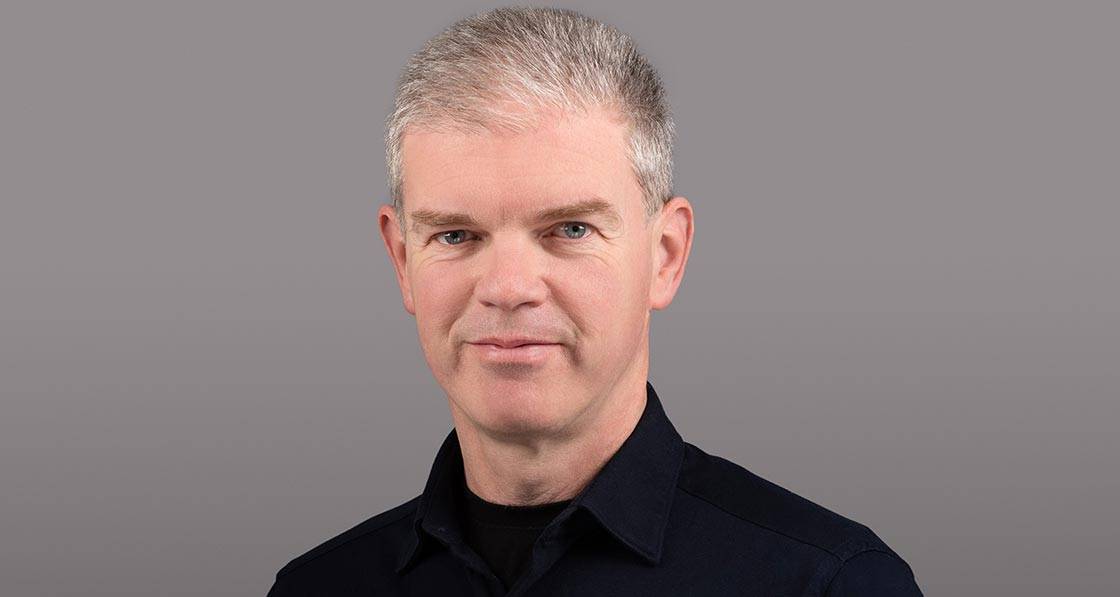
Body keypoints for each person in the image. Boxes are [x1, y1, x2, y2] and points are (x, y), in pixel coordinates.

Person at [266, 6, 923, 596]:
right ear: (403, 260)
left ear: (665, 254)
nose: (508, 287)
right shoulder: (317, 587)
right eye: (456, 235)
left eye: (570, 230)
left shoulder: (829, 584)